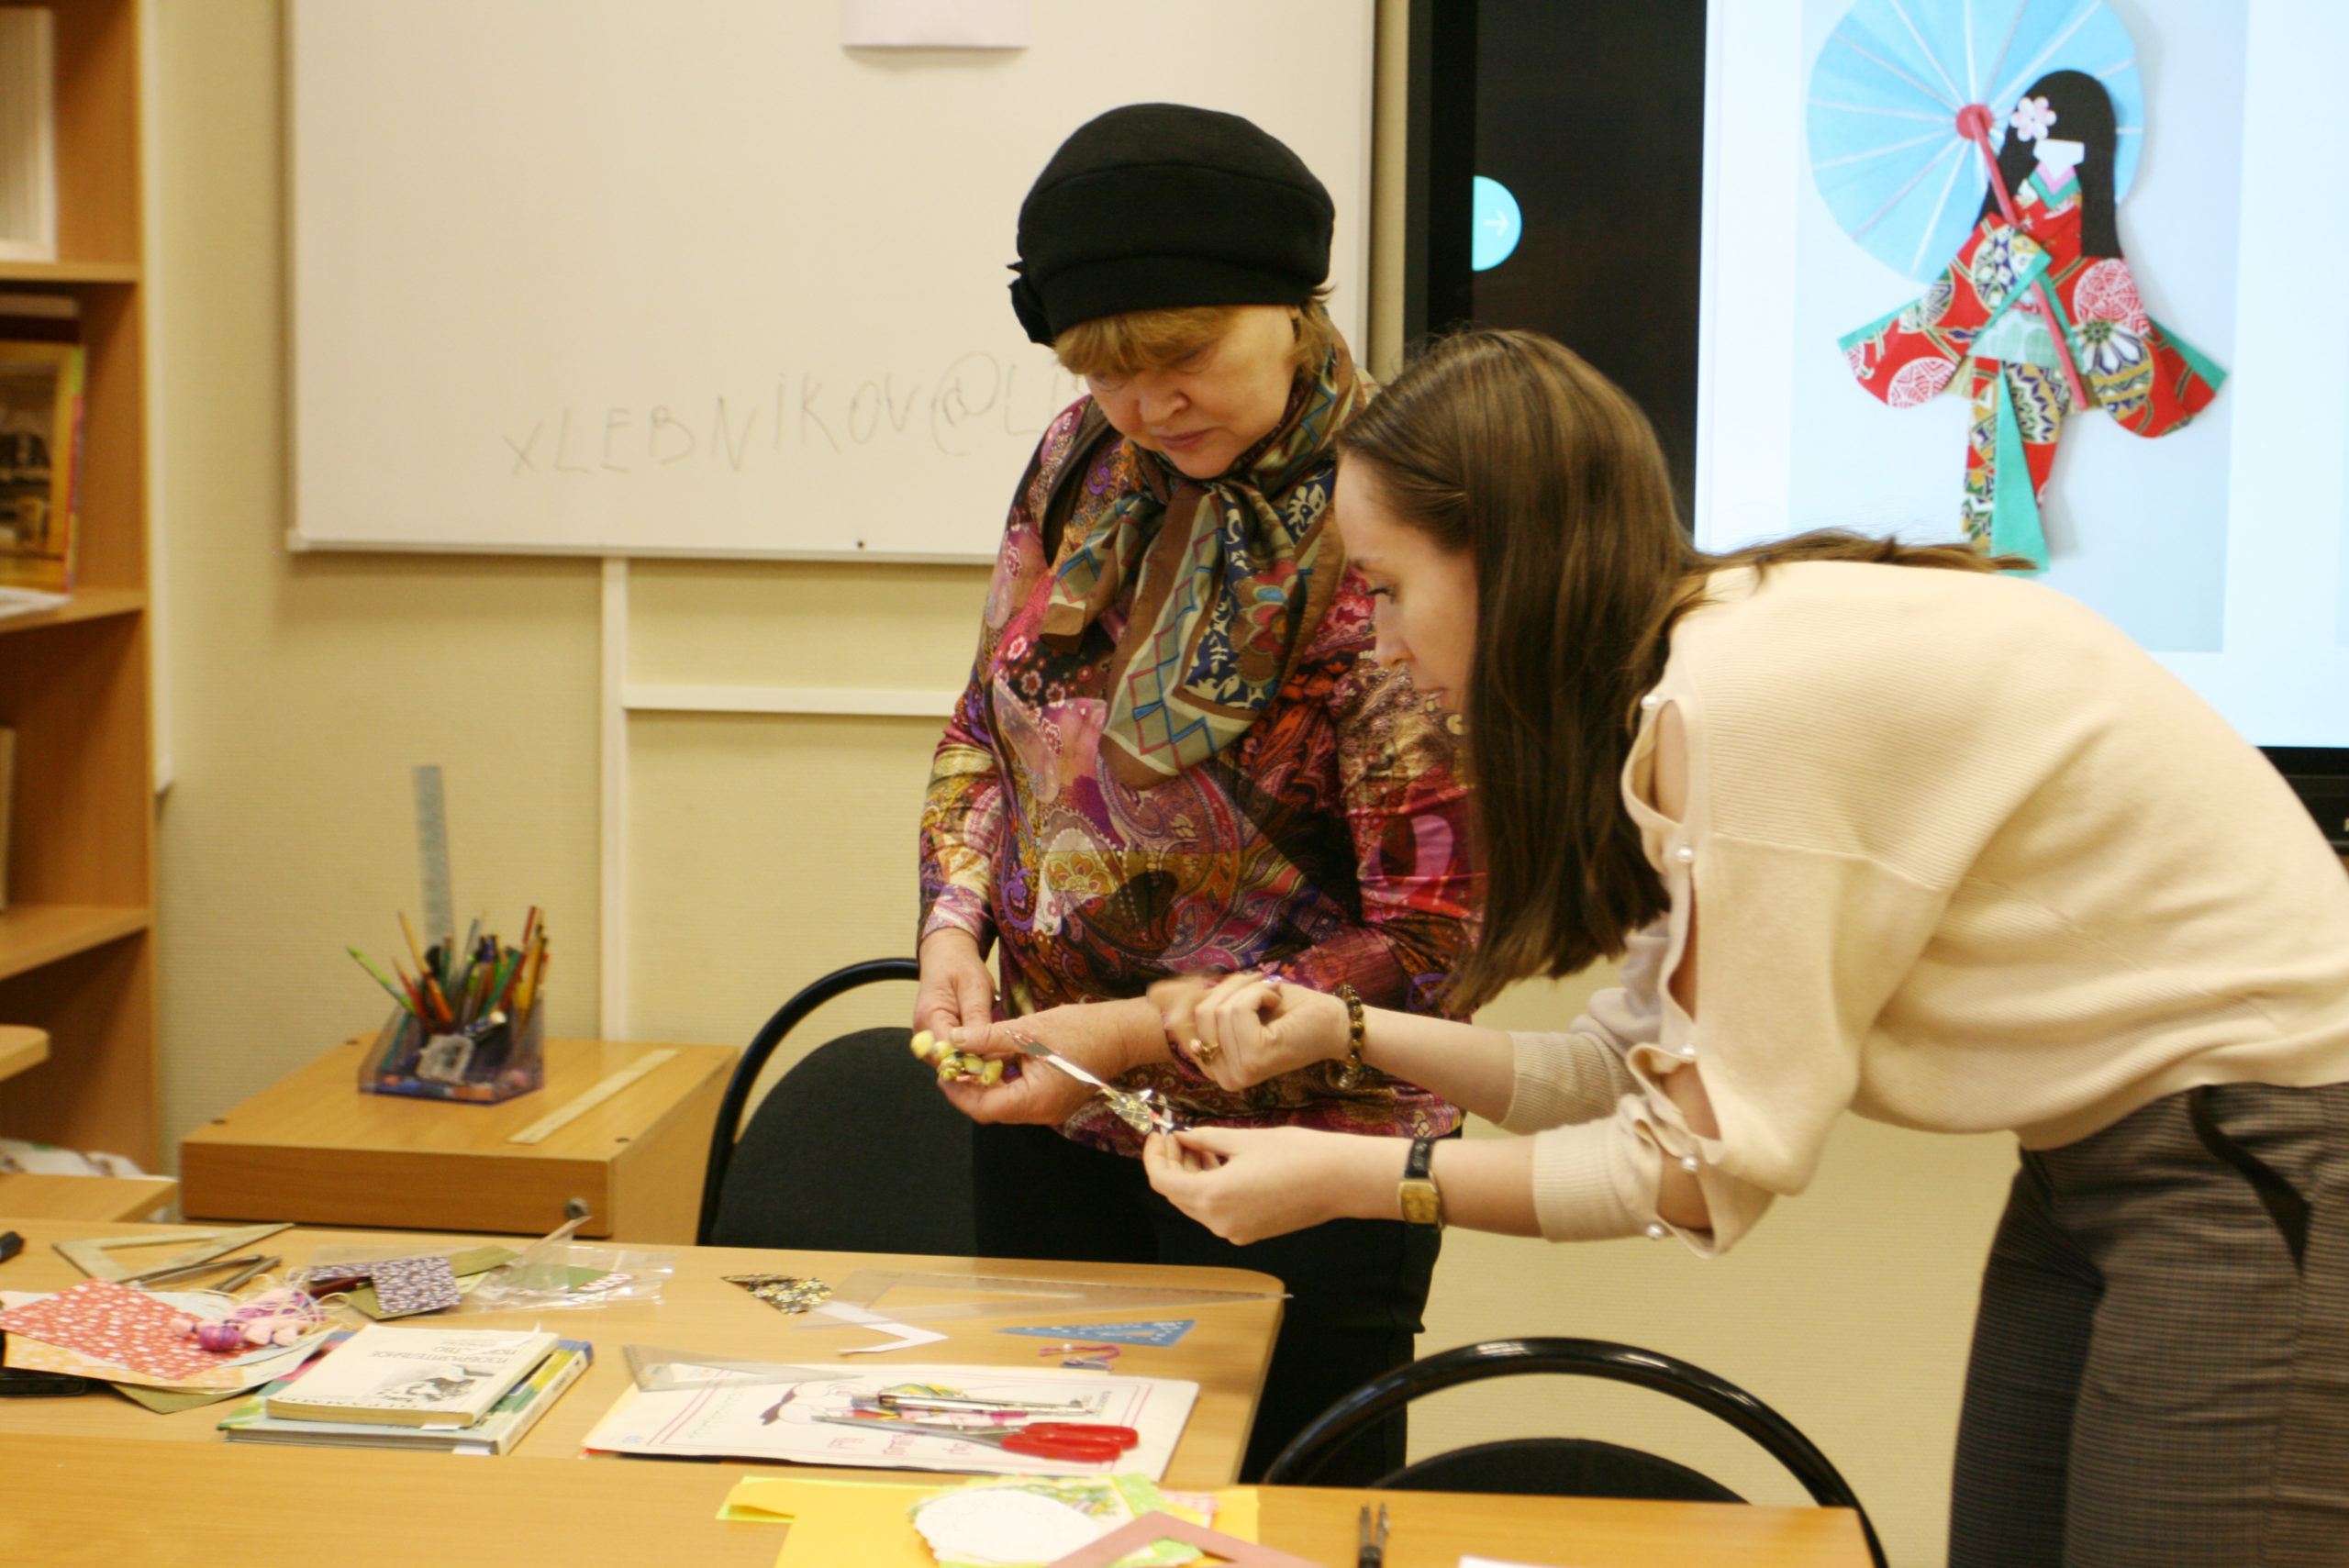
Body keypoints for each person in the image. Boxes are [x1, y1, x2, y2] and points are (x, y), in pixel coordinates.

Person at [1142, 328, 2349, 1564]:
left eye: (1388, 588)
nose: (1379, 642)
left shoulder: (1742, 699)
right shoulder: (1703, 667)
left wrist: (1351, 1176)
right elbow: (1619, 1072)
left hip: (2254, 1143)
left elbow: (1695, 1172)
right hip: (2096, 1159)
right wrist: (1345, 1031)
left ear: (1503, 559)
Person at [915, 104, 1478, 1483]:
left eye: (1182, 359)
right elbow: (987, 722)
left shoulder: (1403, 508)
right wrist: (952, 926)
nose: (1147, 407)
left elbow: (1434, 939)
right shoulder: (1081, 459)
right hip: (1058, 1101)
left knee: (1282, 1513)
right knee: (1048, 1499)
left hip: (1305, 1143)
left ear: (1293, 305)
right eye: (1105, 370)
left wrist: (1130, 1035)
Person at [1842, 69, 2224, 567]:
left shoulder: (2086, 208)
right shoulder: (2011, 196)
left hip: (2053, 336)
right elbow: (1983, 256)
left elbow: (2098, 271)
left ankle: (2001, 550)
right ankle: (1994, 549)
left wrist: (2048, 260)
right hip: (1997, 326)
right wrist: (2010, 246)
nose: (2062, 149)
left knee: (2032, 436)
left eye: (2076, 139)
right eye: (2054, 137)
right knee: (1993, 438)